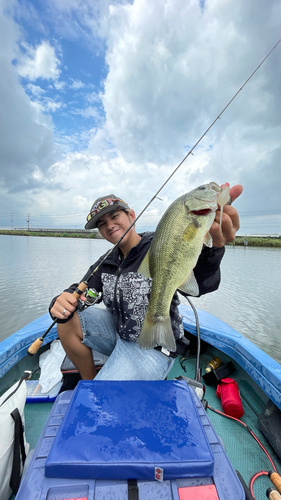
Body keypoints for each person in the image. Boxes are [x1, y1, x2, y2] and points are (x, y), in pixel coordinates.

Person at [49, 185, 243, 381]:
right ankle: (89, 382)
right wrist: (62, 300)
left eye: (114, 216)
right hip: (120, 333)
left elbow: (201, 283)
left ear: (131, 215)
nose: (109, 225)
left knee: (105, 398)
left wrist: (214, 249)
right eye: (102, 223)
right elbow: (83, 290)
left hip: (155, 346)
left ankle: (112, 381)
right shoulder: (106, 261)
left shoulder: (159, 242)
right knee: (66, 319)